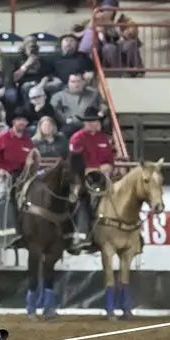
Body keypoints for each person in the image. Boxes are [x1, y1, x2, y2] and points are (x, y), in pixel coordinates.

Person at [67, 106, 116, 253]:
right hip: (81, 177)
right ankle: (82, 234)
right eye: (89, 121)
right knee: (82, 198)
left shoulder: (103, 138)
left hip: (102, 177)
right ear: (84, 123)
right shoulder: (77, 138)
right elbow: (75, 163)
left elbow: (109, 159)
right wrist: (94, 169)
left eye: (95, 121)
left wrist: (109, 166)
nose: (93, 123)